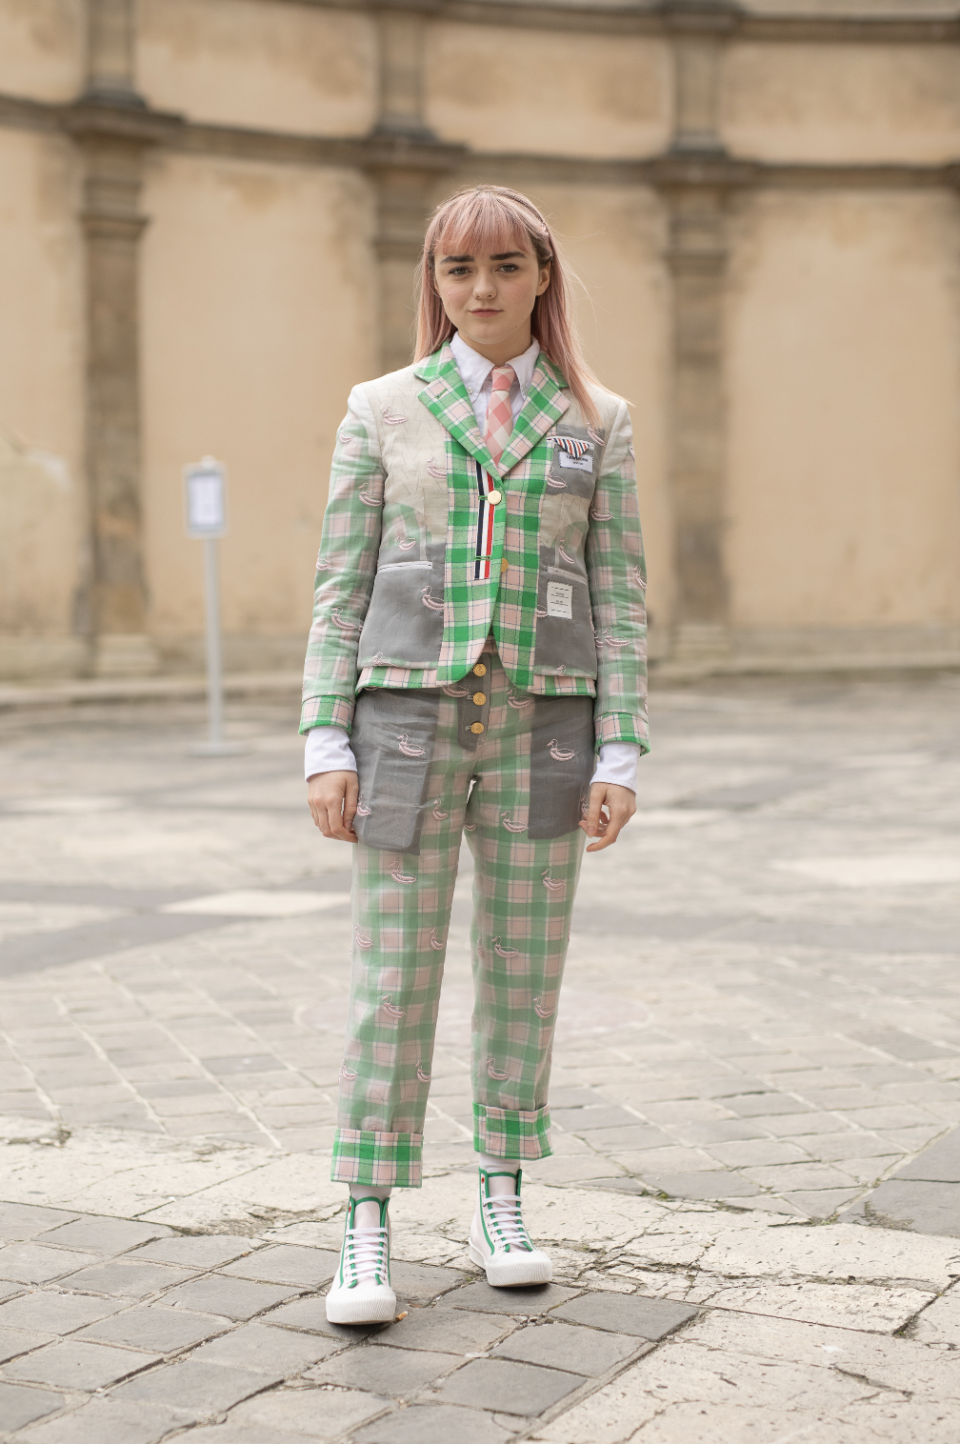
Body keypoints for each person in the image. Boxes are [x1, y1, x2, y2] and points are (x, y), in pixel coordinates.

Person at [301, 185, 648, 1325]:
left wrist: (621, 749)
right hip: (404, 723)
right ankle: (366, 1214)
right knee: (391, 975)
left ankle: (502, 1191)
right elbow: (340, 588)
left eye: (505, 266)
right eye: (459, 270)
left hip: (547, 726)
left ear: (543, 275)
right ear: (434, 283)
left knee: (523, 971)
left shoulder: (597, 418)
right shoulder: (382, 407)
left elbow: (623, 597)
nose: (483, 289)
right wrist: (323, 735)